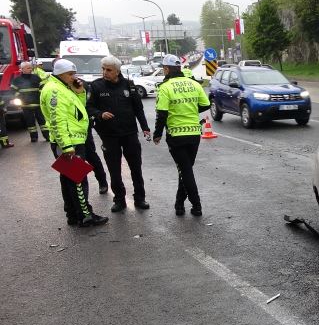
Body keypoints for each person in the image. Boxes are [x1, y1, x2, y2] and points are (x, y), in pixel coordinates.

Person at [40, 59, 108, 227]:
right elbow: (57, 121)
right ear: (60, 74)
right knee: (78, 180)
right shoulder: (55, 90)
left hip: (74, 140)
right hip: (70, 142)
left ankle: (72, 214)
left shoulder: (63, 88)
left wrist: (79, 93)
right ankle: (86, 215)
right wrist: (66, 146)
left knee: (68, 179)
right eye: (70, 74)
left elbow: (77, 110)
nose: (73, 77)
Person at [87, 56, 151, 213]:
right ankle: (119, 199)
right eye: (103, 69)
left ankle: (140, 198)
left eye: (108, 70)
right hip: (109, 136)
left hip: (129, 134)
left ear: (117, 71)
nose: (105, 72)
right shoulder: (96, 86)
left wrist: (145, 127)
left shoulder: (129, 85)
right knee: (114, 170)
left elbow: (138, 109)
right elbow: (88, 107)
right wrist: (100, 114)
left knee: (136, 168)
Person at [153, 54, 210, 216]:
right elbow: (206, 104)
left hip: (176, 136)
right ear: (179, 67)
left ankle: (197, 205)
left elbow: (162, 113)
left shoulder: (165, 87)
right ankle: (179, 204)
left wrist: (157, 134)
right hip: (194, 134)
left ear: (166, 69)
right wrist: (191, 110)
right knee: (185, 170)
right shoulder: (193, 84)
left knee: (185, 171)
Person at [11, 61, 48, 142]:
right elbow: (13, 91)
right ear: (22, 69)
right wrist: (21, 97)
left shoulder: (36, 77)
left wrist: (41, 97)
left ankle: (47, 136)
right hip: (26, 105)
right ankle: (34, 137)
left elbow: (42, 88)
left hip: (38, 104)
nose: (30, 69)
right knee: (30, 123)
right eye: (28, 68)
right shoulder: (17, 80)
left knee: (42, 122)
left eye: (30, 67)